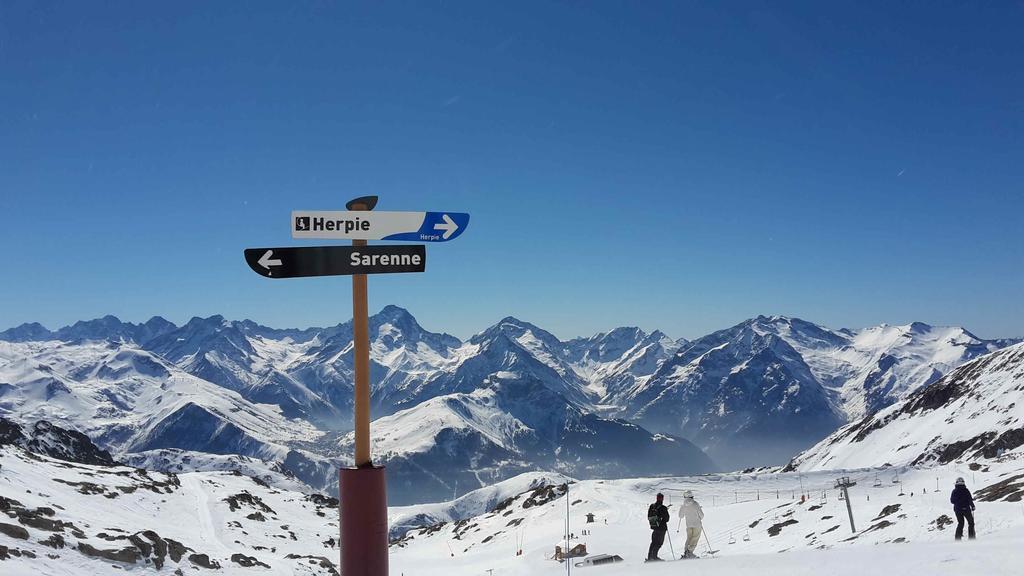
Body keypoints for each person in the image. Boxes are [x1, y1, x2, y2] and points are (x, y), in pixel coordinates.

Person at [679, 490, 704, 559]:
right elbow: (701, 515)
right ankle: (690, 553)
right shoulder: (695, 504)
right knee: (695, 538)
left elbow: (680, 516)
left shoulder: (684, 505)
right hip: (697, 525)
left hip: (688, 525)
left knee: (689, 538)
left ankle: (686, 552)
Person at [646, 493, 670, 561]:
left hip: (654, 527)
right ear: (662, 499)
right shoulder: (663, 508)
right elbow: (667, 519)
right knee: (659, 543)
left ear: (656, 498)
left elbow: (648, 517)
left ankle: (650, 557)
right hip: (662, 528)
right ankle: (654, 557)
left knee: (653, 542)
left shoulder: (652, 506)